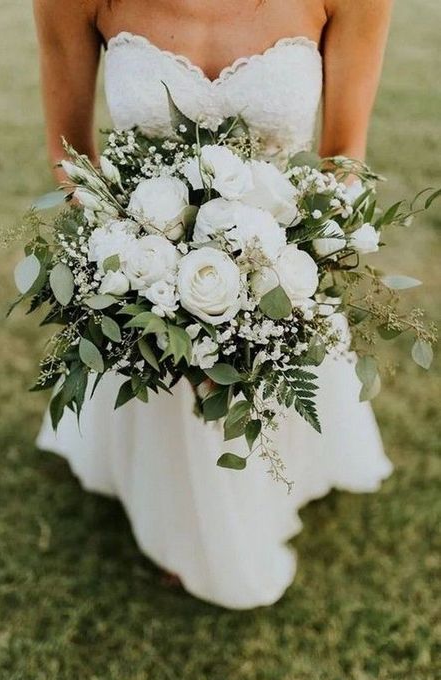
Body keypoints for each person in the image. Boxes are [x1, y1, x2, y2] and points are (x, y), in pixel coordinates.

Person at [34, 0, 393, 609]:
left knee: (265, 401)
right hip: (147, 265)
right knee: (168, 397)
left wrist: (274, 281)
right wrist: (144, 280)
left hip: (278, 268)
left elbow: (341, 161)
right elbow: (72, 159)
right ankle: (176, 518)